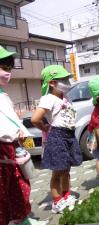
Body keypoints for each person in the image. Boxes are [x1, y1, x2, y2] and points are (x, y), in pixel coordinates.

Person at [0, 46, 47, 225]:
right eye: (4, 68)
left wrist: (23, 138)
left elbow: (13, 121)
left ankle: (23, 219)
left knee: (20, 186)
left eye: (9, 69)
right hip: (3, 150)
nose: (8, 73)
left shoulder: (3, 95)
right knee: (3, 194)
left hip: (14, 148)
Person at [31, 65, 82, 214]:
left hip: (68, 136)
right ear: (52, 83)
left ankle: (66, 196)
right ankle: (57, 201)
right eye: (63, 79)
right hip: (58, 136)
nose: (67, 82)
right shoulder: (48, 98)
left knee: (66, 170)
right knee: (57, 172)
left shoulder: (65, 97)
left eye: (67, 78)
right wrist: (45, 127)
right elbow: (35, 118)